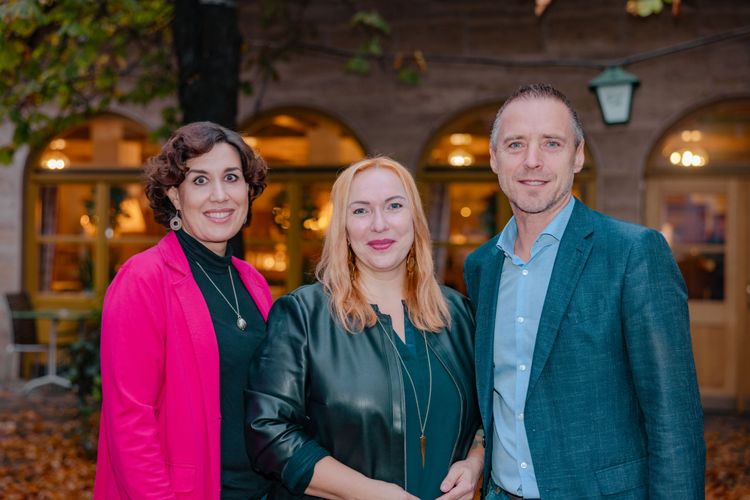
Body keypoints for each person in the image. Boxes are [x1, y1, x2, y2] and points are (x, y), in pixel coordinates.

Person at [464, 83, 706, 500]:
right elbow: (494, 398)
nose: (532, 161)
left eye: (551, 143)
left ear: (577, 156)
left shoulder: (632, 253)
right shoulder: (481, 266)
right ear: (494, 158)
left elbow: (673, 419)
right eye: (516, 144)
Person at [245, 156, 483, 500]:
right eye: (360, 211)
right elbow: (268, 433)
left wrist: (475, 463)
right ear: (342, 226)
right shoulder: (303, 315)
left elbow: (490, 417)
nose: (379, 224)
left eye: (394, 206)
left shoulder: (459, 316)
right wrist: (369, 493)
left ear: (415, 219)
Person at [94, 121, 274, 499]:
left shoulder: (253, 282)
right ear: (175, 195)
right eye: (200, 181)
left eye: (231, 177)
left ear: (248, 189)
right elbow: (130, 422)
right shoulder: (143, 279)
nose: (220, 195)